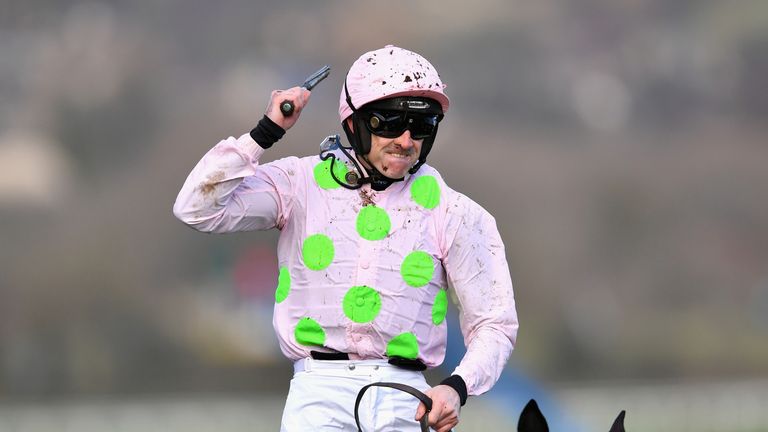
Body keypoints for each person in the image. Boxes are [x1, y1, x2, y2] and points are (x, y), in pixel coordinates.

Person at [173, 45, 518, 432]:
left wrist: (456, 388)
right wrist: (264, 134)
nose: (406, 140)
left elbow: (495, 323)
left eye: (421, 126)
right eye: (390, 123)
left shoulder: (457, 213)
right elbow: (195, 208)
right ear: (355, 122)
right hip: (316, 394)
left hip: (407, 401)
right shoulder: (297, 184)